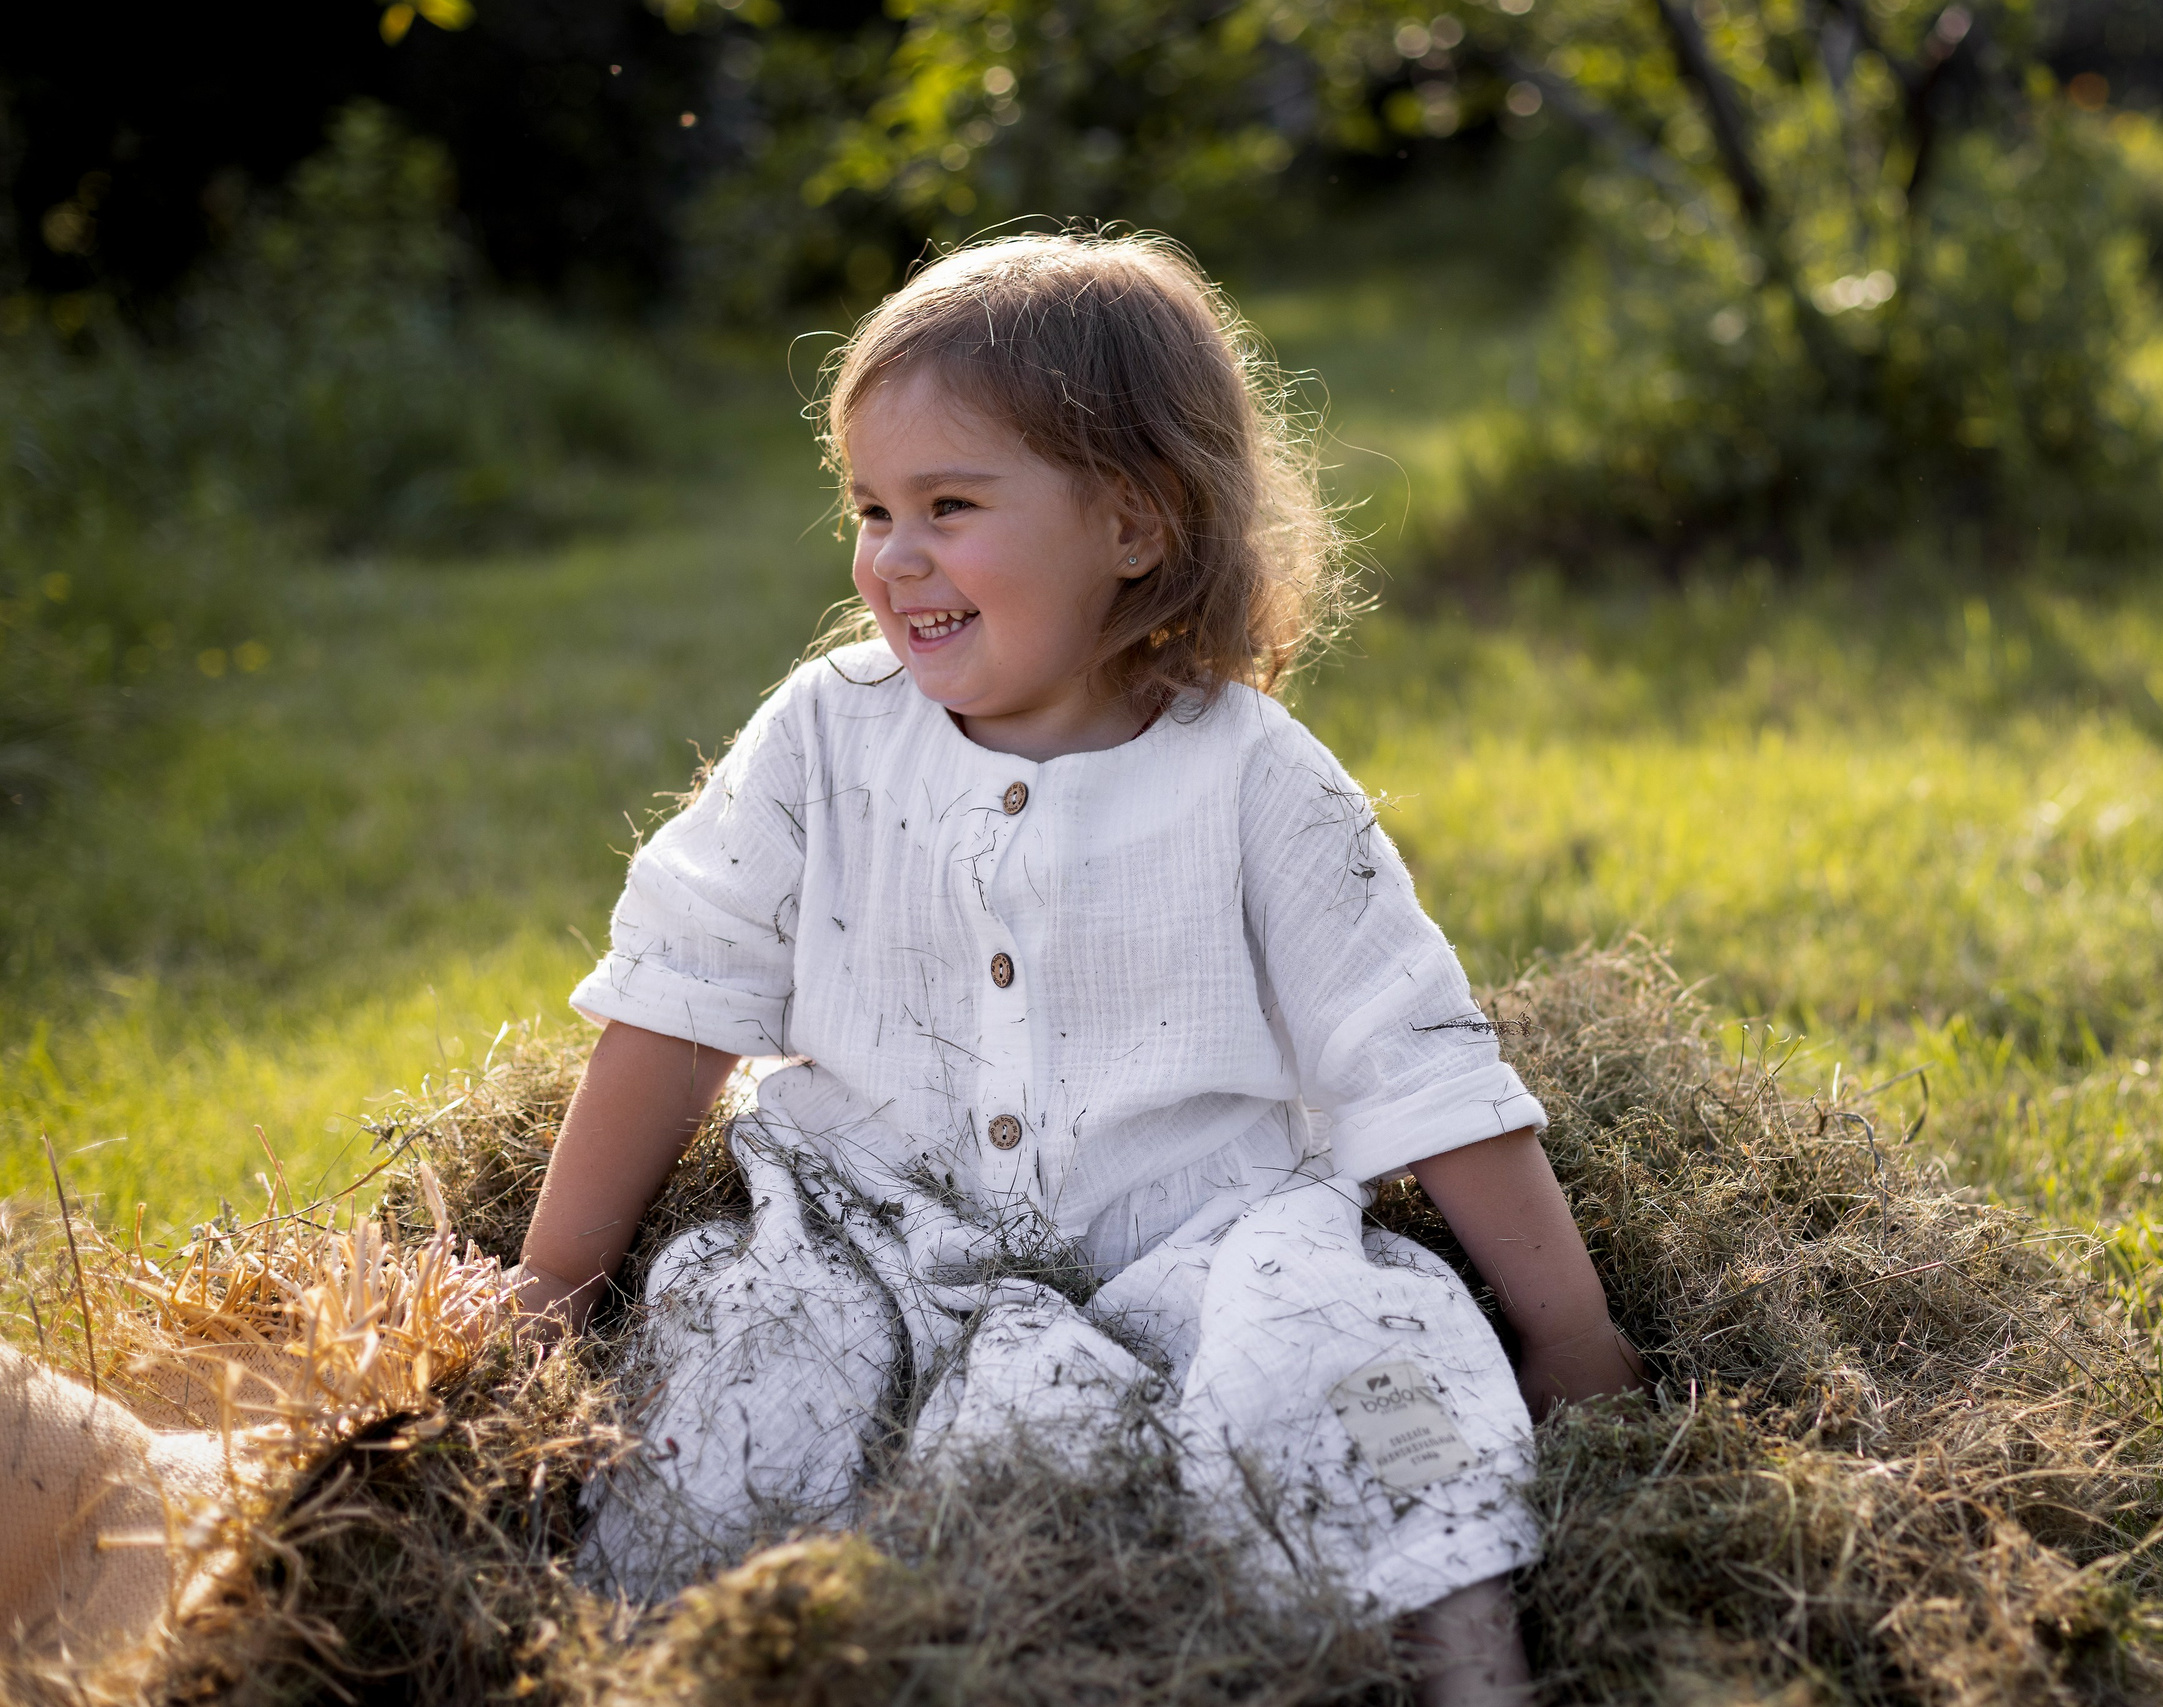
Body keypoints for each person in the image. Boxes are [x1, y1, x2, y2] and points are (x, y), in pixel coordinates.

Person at [507, 232, 1642, 1706]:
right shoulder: (824, 736)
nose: (890, 557)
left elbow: (1411, 1056)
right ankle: (668, 1663)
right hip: (867, 1239)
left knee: (1367, 1355)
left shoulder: (1253, 779)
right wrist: (547, 1285)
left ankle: (1459, 1659)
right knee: (738, 1370)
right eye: (868, 509)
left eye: (950, 506)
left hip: (1199, 1249)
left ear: (1134, 524)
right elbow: (681, 995)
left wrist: (1571, 1333)